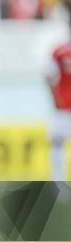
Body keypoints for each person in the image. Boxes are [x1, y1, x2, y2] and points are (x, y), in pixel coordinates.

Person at [47, 19, 71, 181]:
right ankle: (58, 181)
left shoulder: (59, 51)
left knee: (58, 145)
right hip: (62, 109)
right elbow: (48, 75)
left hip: (63, 107)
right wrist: (55, 98)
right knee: (58, 145)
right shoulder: (59, 51)